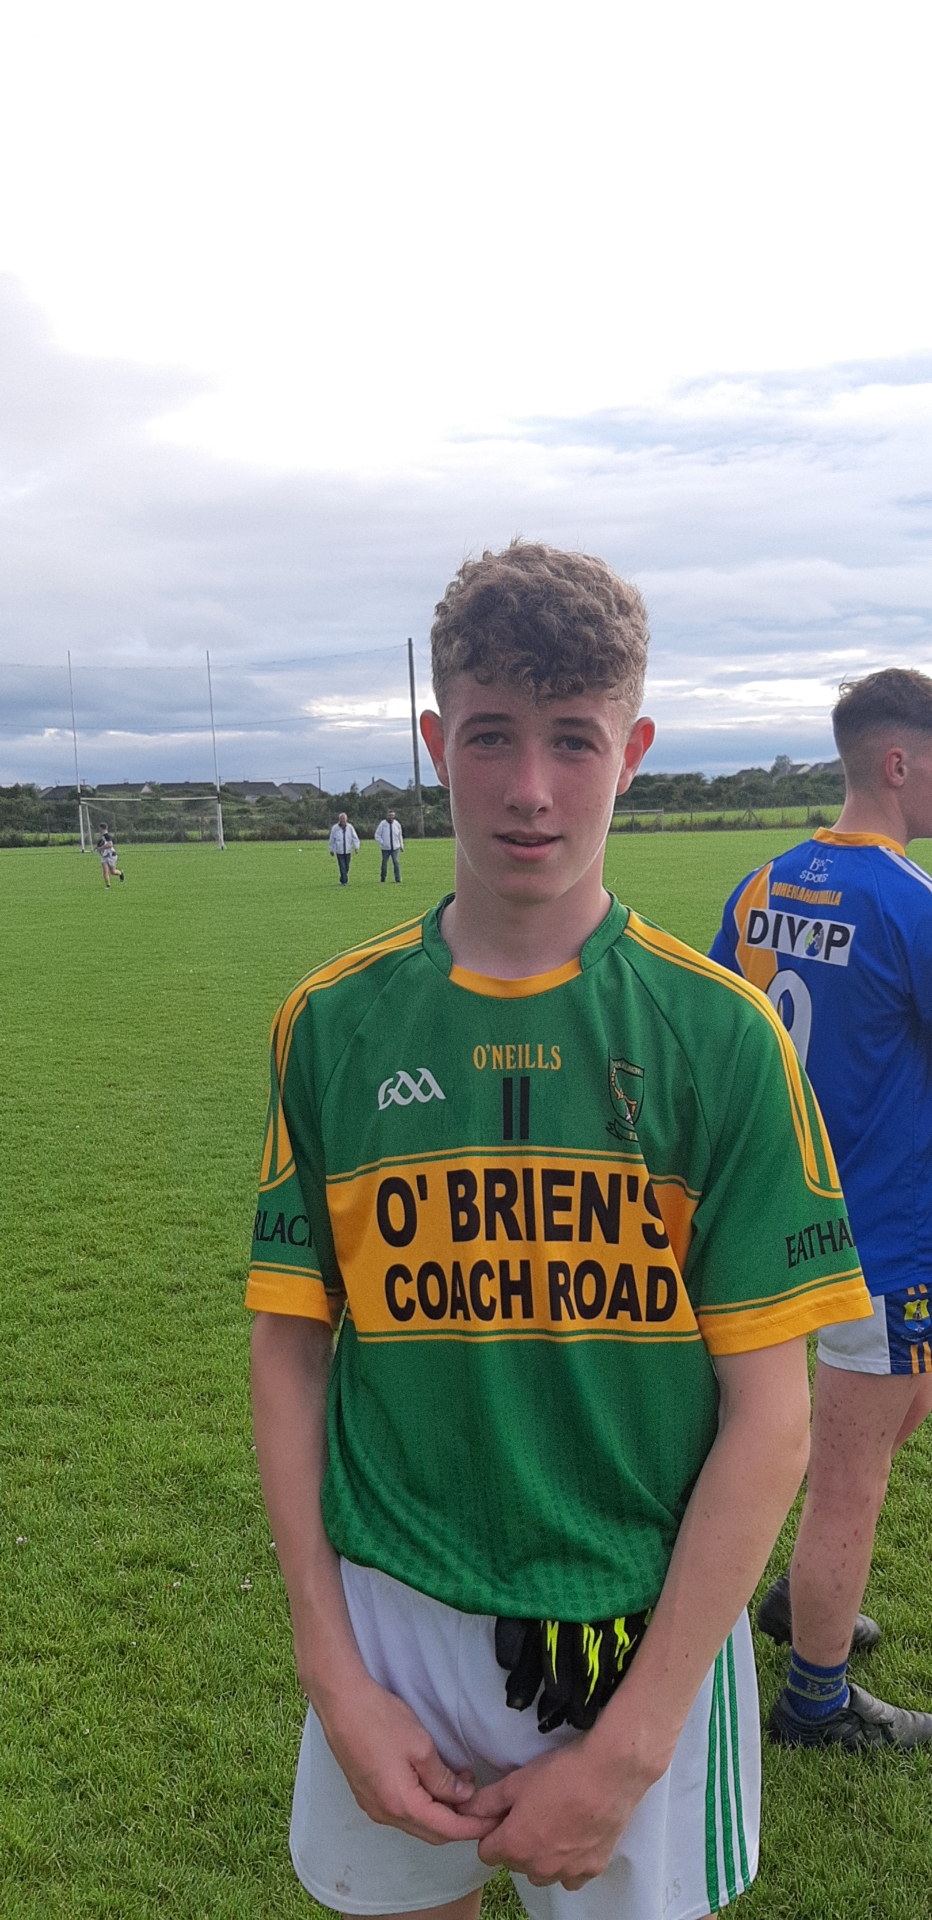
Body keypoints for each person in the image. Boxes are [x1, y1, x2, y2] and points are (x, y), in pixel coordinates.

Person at [247, 541, 872, 1920]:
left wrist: (637, 1738)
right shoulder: (332, 1023)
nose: (530, 788)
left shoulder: (722, 1037)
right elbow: (289, 1349)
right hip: (391, 1614)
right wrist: (331, 1667)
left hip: (639, 1629)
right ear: (436, 745)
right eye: (491, 736)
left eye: (573, 740)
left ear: (631, 750)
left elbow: (771, 1418)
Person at [711, 666, 932, 1752]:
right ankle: (816, 1700)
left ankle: (805, 1598)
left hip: (770, 1220)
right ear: (897, 763)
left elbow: (723, 1037)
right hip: (877, 1236)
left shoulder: (760, 886)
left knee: (889, 1410)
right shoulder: (909, 903)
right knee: (854, 1472)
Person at [328, 812, 360, 885]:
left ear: (346, 819)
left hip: (348, 850)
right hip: (339, 851)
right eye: (341, 819)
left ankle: (342, 878)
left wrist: (356, 847)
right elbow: (332, 839)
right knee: (342, 867)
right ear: (339, 819)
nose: (342, 820)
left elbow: (355, 838)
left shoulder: (350, 827)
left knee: (347, 867)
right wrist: (331, 849)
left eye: (343, 819)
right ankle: (344, 882)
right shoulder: (335, 828)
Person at [375, 807, 405, 882]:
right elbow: (377, 835)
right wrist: (382, 843)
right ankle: (383, 878)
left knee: (396, 862)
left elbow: (399, 835)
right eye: (389, 815)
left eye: (392, 815)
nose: (391, 817)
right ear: (387, 816)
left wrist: (401, 845)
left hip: (395, 848)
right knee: (384, 863)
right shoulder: (382, 824)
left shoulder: (397, 824)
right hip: (385, 848)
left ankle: (398, 879)